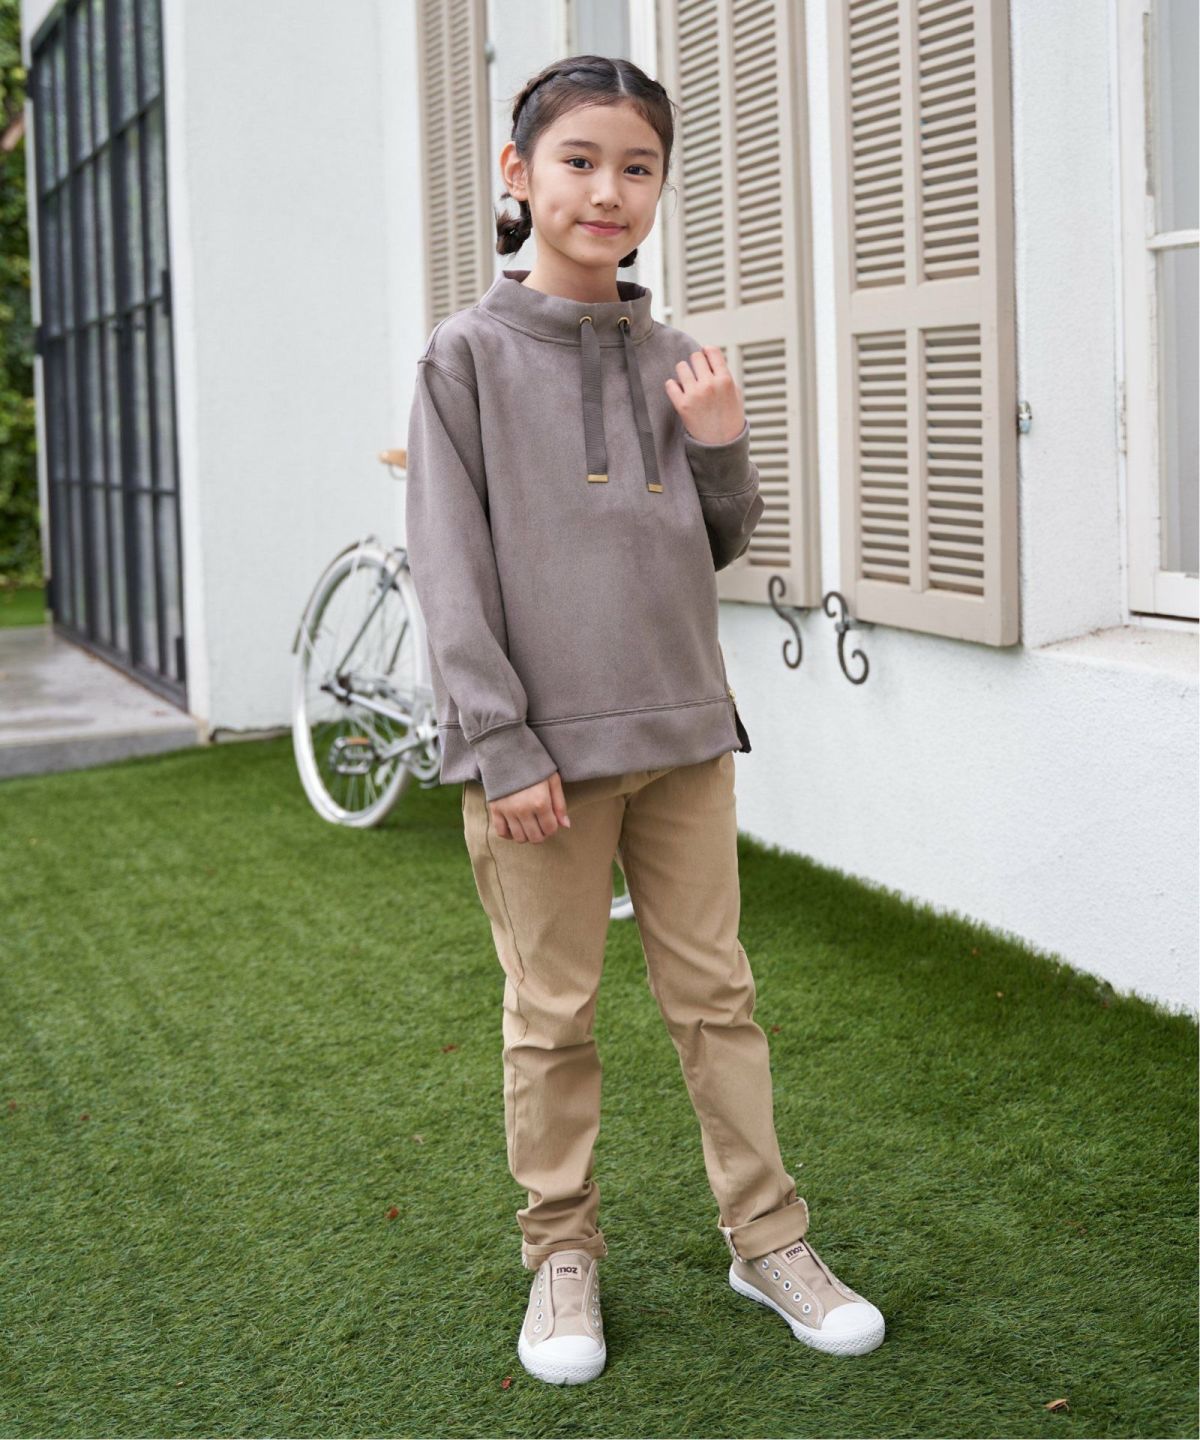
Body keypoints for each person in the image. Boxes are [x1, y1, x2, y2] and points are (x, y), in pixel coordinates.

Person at [404, 54, 885, 1385]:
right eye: (579, 161)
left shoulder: (679, 360)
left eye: (637, 166)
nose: (607, 190)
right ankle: (561, 1254)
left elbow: (715, 541)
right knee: (552, 1013)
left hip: (684, 739)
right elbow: (449, 568)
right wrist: (501, 742)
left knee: (718, 998)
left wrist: (721, 442)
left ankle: (768, 1241)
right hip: (541, 765)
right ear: (519, 173)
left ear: (660, 185)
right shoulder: (462, 358)